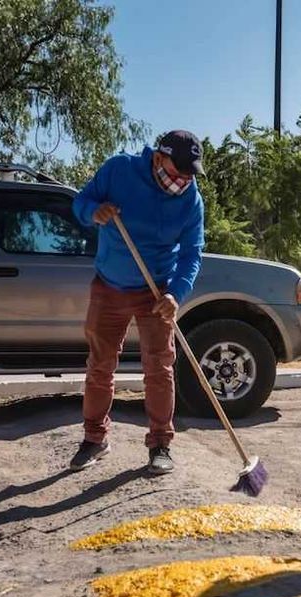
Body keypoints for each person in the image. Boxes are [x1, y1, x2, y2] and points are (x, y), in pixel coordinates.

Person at [69, 130, 206, 475]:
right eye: (178, 171)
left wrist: (176, 294)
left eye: (189, 174)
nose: (183, 180)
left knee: (159, 369)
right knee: (100, 366)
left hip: (156, 292)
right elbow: (80, 203)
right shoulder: (119, 170)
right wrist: (94, 211)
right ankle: (94, 438)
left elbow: (191, 254)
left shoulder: (191, 200)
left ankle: (160, 444)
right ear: (159, 158)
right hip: (108, 288)